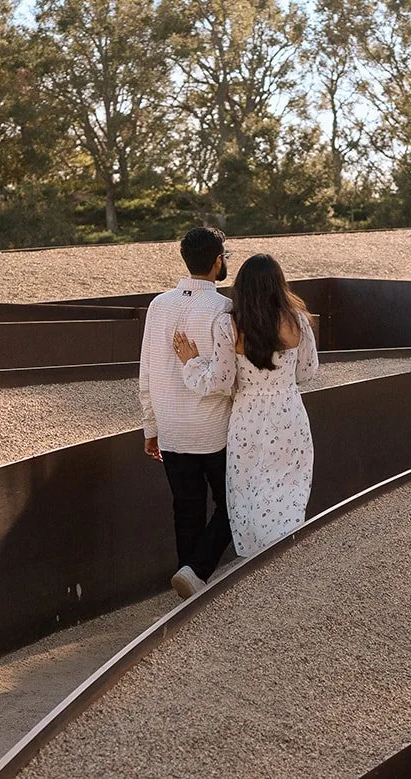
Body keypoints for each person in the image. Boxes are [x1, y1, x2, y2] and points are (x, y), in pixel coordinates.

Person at [173, 253, 319, 558]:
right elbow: (307, 372)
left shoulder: (229, 324)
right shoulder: (298, 322)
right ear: (279, 284)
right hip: (289, 416)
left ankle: (256, 558)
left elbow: (220, 380)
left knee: (248, 489)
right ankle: (283, 552)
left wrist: (191, 364)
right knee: (288, 487)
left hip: (247, 418)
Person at [138, 226, 235, 598]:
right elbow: (225, 379)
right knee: (234, 503)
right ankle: (197, 570)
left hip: (171, 428)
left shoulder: (158, 305)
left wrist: (150, 426)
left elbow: (146, 371)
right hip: (213, 429)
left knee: (187, 509)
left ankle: (188, 582)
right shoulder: (223, 309)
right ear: (217, 261)